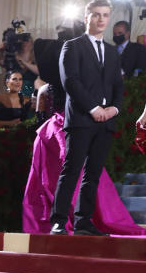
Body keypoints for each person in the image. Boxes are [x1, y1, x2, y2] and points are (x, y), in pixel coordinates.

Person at [23, 83, 145, 236]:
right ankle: (77, 220)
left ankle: (62, 221)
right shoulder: (84, 85)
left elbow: (40, 117)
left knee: (54, 178)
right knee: (84, 175)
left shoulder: (45, 89)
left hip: (53, 134)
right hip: (74, 131)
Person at [49, 0, 124, 236]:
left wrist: (115, 109)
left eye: (105, 15)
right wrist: (94, 108)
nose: (101, 19)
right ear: (86, 18)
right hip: (82, 118)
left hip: (106, 122)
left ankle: (83, 222)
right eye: (96, 15)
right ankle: (59, 220)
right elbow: (70, 81)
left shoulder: (112, 52)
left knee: (93, 173)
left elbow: (118, 85)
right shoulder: (72, 46)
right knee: (72, 169)